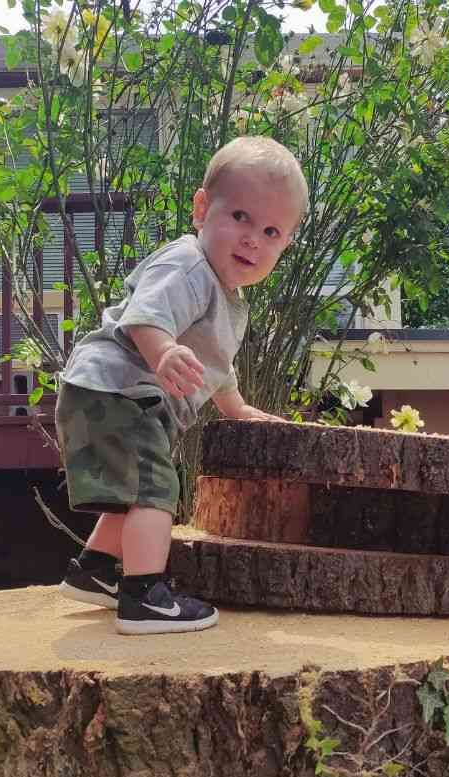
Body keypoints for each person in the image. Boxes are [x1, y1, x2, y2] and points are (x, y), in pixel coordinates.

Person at [55, 136, 308, 634]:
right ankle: (144, 595)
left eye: (271, 231)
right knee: (155, 489)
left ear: (285, 244)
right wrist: (164, 351)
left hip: (114, 393)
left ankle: (95, 571)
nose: (252, 238)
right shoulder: (188, 264)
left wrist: (236, 408)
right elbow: (146, 316)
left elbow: (215, 363)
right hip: (118, 388)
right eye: (239, 217)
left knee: (135, 487)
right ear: (201, 208)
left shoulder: (225, 294)